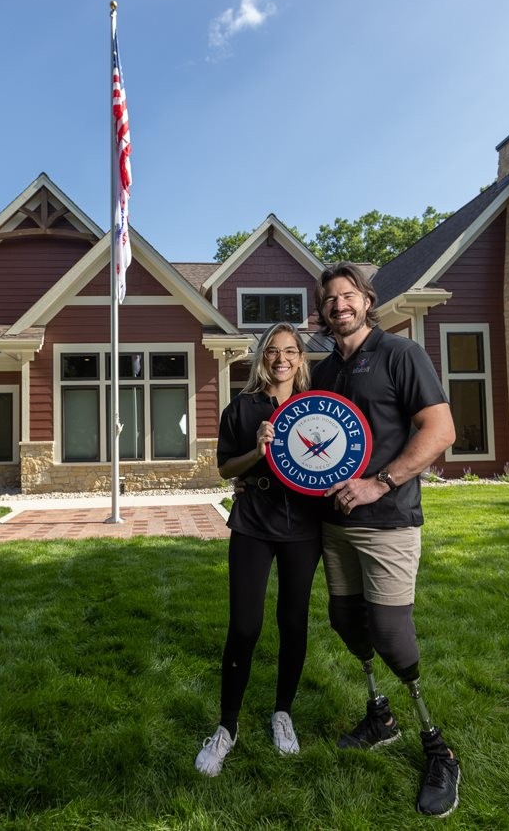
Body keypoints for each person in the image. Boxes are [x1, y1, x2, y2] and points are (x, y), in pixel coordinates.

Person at [311, 263, 462, 818]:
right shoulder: (324, 371)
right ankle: (381, 717)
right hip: (335, 525)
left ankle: (438, 747)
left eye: (347, 296)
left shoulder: (401, 354)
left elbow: (441, 430)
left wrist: (381, 482)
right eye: (329, 299)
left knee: (394, 636)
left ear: (367, 301)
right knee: (347, 623)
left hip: (389, 521)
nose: (338, 306)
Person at [195, 322, 324, 777]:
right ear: (261, 357)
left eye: (291, 351)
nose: (281, 359)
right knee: (245, 626)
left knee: (293, 622)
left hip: (304, 524)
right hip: (253, 521)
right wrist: (257, 453)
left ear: (301, 359)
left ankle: (282, 713)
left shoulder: (315, 408)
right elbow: (223, 469)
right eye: (273, 350)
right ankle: (226, 727)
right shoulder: (242, 407)